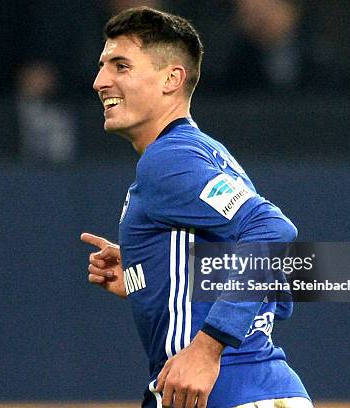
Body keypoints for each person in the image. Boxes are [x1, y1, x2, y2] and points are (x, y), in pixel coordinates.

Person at [80, 7, 311, 408]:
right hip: (257, 391)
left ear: (172, 79)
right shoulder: (209, 154)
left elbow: (273, 232)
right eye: (103, 66)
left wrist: (207, 348)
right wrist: (150, 272)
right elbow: (274, 280)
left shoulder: (169, 160)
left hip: (229, 393)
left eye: (121, 65)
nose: (101, 81)